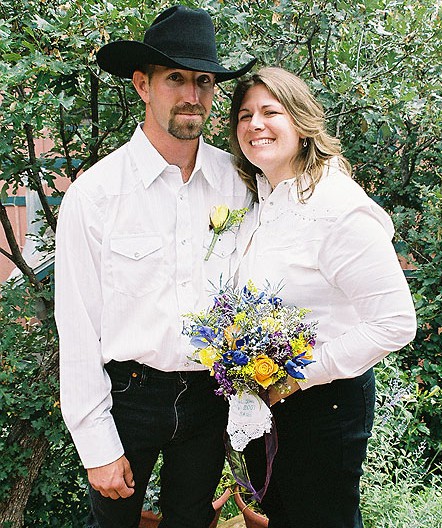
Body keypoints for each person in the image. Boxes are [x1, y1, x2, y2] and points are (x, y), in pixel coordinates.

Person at [54, 6, 255, 528]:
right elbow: (77, 329)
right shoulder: (97, 196)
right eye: (176, 79)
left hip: (211, 398)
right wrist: (96, 444)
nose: (192, 96)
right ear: (143, 85)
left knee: (192, 521)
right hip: (128, 399)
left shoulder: (240, 184)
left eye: (203, 81)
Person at [229, 67, 417, 528]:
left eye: (271, 112)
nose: (255, 124)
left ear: (301, 122)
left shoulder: (336, 207)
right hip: (269, 402)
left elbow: (395, 321)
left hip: (323, 406)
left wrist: (298, 376)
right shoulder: (263, 201)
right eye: (245, 114)